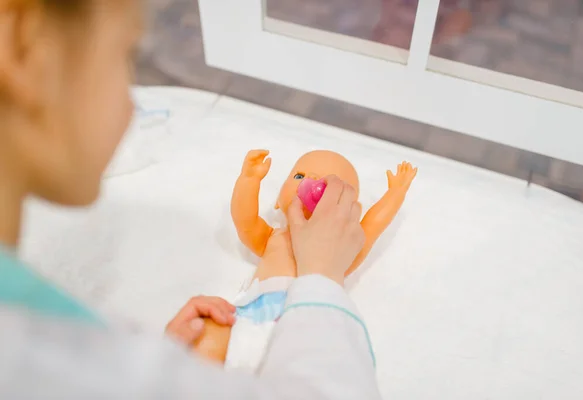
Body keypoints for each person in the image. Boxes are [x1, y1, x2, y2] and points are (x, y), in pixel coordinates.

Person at [0, 1, 381, 398]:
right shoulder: (52, 355)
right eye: (125, 56)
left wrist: (166, 378)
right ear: (24, 46)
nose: (133, 106)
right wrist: (321, 277)